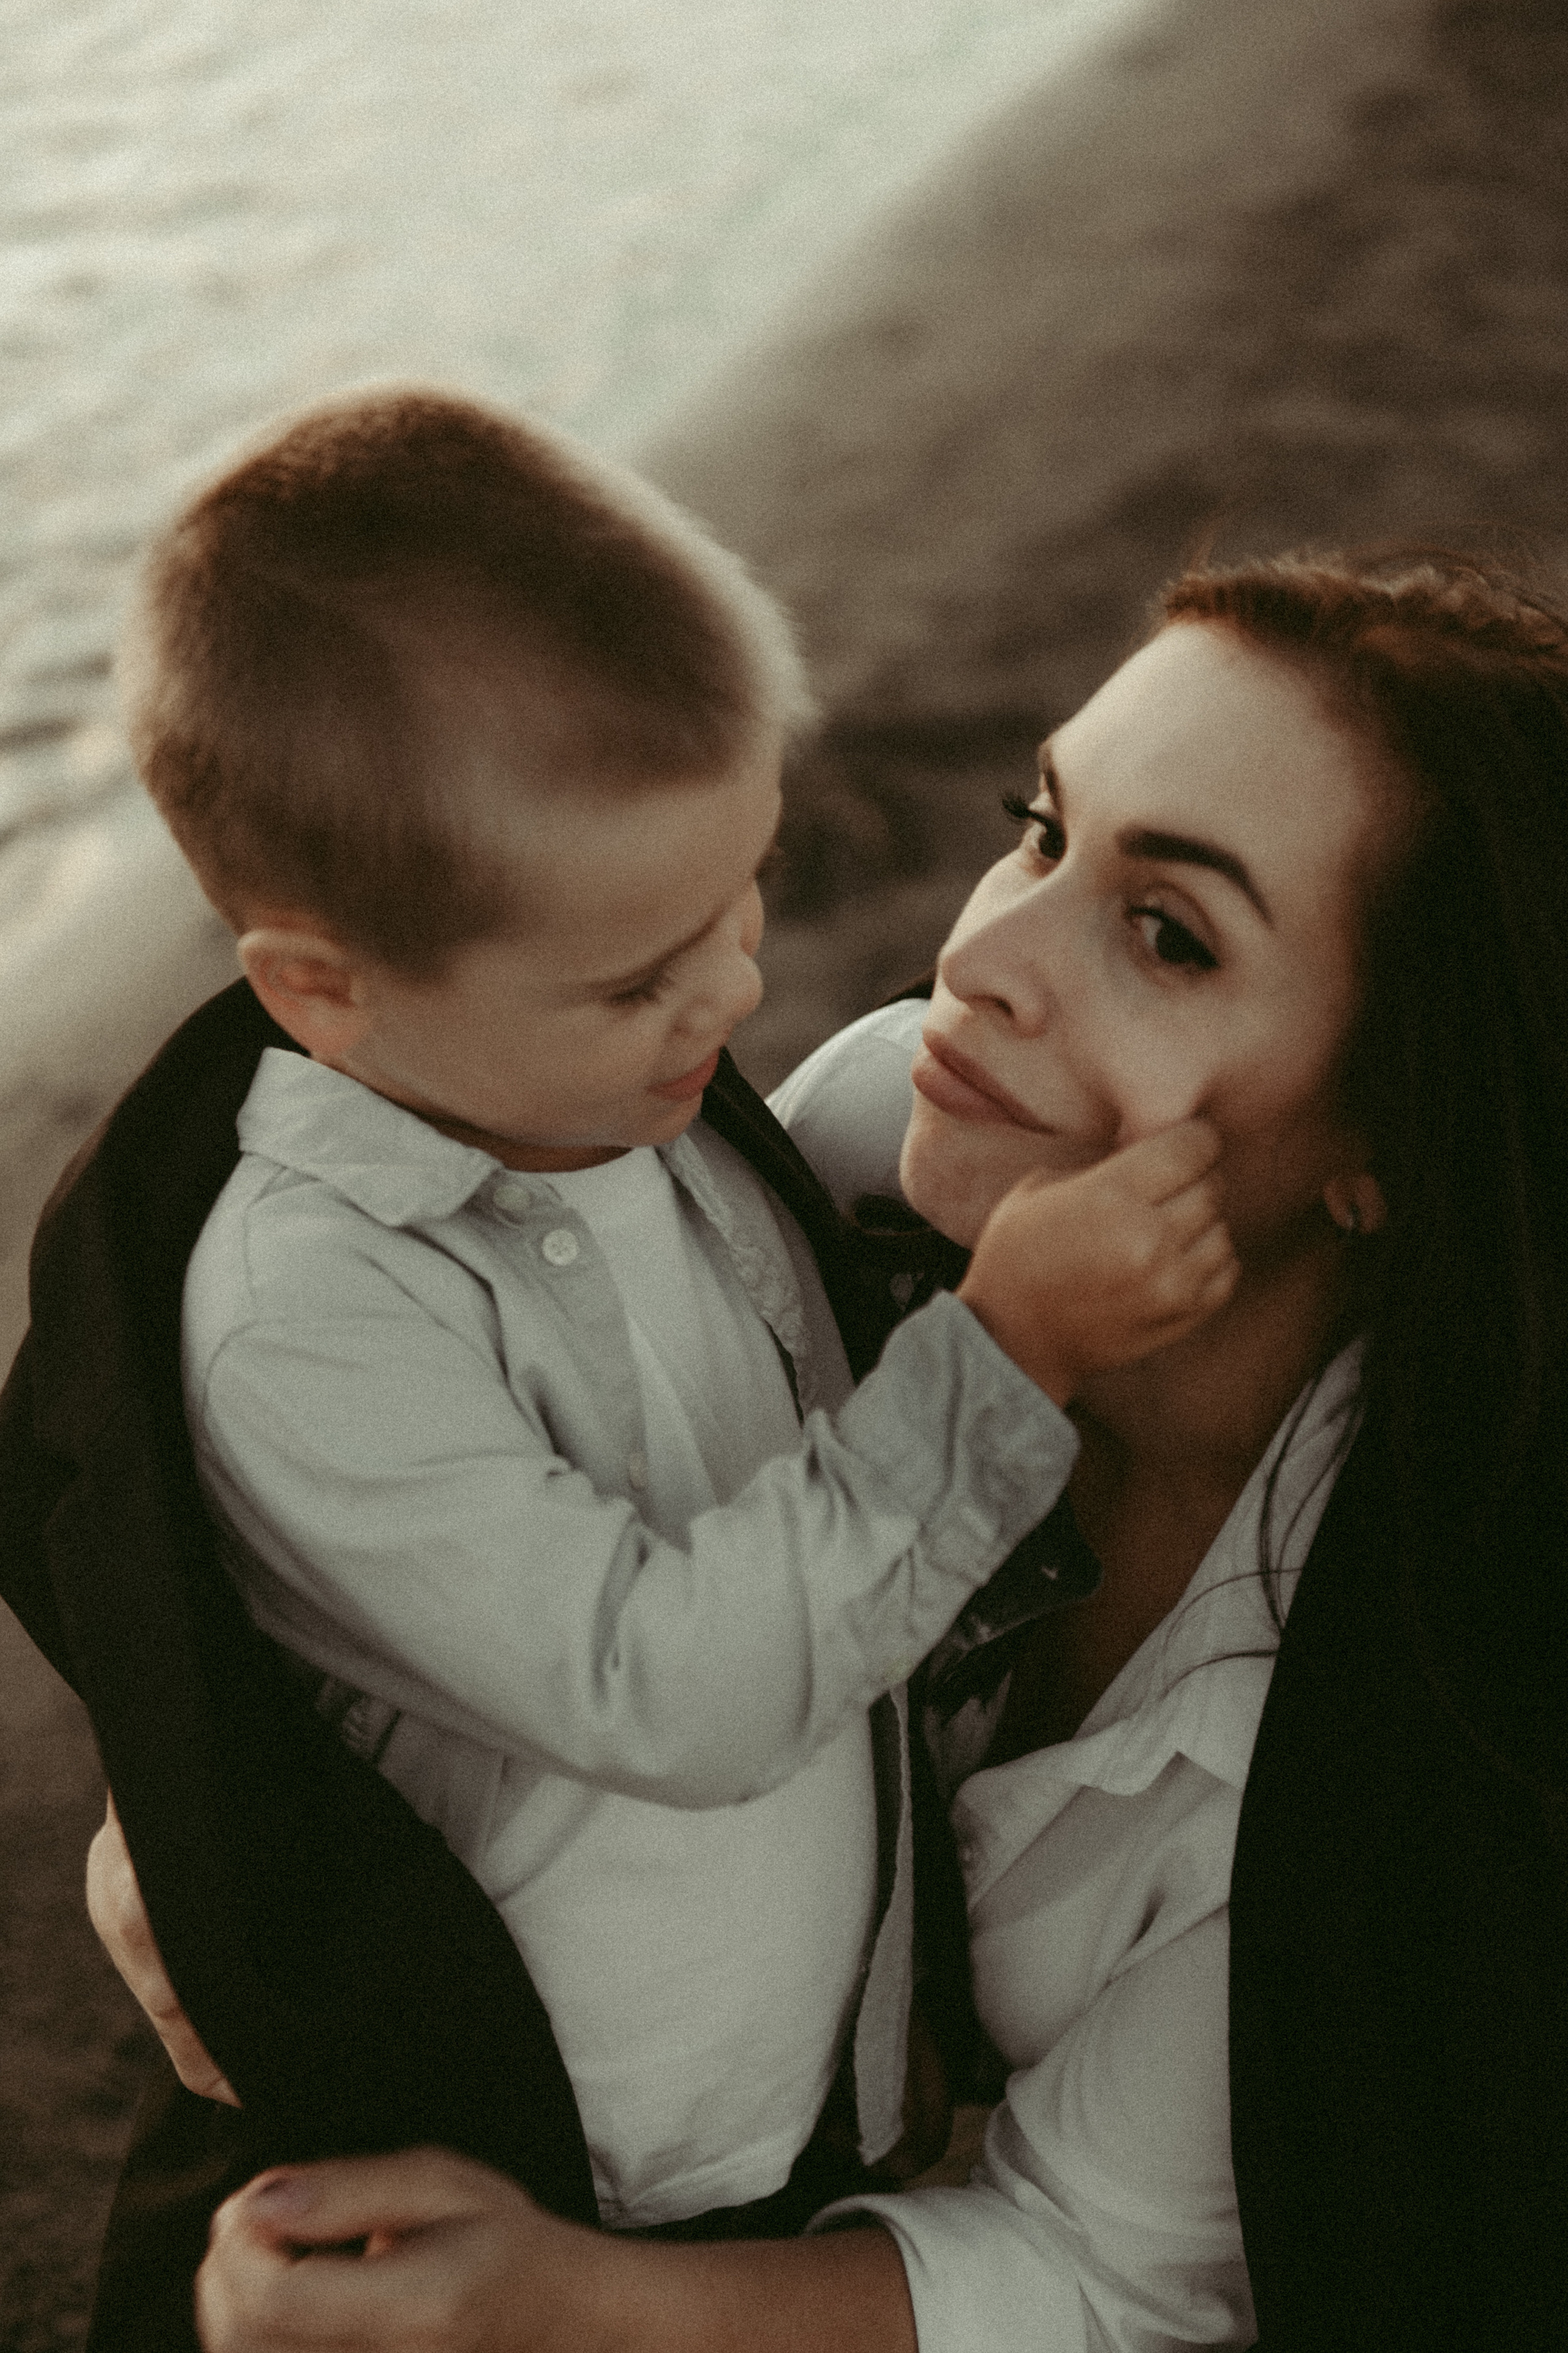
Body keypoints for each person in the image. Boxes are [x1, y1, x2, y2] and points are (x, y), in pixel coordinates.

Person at [181, 546, 1568, 2352]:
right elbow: (456, 1507)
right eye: (1043, 830)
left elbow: (1099, 2271)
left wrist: (572, 2309)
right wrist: (193, 1814)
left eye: (1170, 933)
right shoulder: (846, 1164)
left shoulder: (1410, 1707)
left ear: (1392, 1138)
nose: (981, 959)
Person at [6, 388, 1233, 2340]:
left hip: (784, 2158)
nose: (737, 992)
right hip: (475, 2195)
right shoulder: (304, 1324)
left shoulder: (606, 1101)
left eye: (740, 896)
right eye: (637, 973)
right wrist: (1011, 1354)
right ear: (322, 988)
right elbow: (684, 1680)